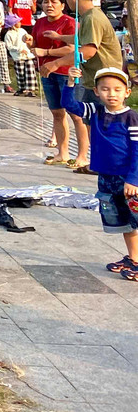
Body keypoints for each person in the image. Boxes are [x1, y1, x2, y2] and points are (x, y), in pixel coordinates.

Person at [58, 68, 138, 281]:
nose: (111, 94)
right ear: (96, 91)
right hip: (106, 177)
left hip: (128, 180)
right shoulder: (95, 111)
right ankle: (133, 258)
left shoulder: (132, 118)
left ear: (127, 92)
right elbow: (70, 105)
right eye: (105, 89)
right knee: (123, 221)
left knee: (136, 219)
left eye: (117, 89)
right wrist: (70, 83)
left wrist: (133, 179)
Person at [29, 0, 79, 167]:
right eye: (45, 2)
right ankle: (62, 152)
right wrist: (30, 44)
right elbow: (36, 45)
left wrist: (47, 52)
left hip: (66, 73)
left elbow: (73, 48)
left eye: (53, 2)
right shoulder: (40, 23)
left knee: (75, 114)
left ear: (63, 5)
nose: (49, 5)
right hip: (46, 73)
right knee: (57, 113)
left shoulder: (69, 22)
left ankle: (82, 155)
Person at [3, 14, 39, 97]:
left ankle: (30, 89)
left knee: (30, 72)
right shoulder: (9, 34)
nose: (20, 23)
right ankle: (22, 88)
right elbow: (9, 46)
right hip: (18, 56)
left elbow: (28, 40)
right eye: (18, 22)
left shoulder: (22, 31)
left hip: (27, 55)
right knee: (20, 73)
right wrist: (18, 49)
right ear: (13, 25)